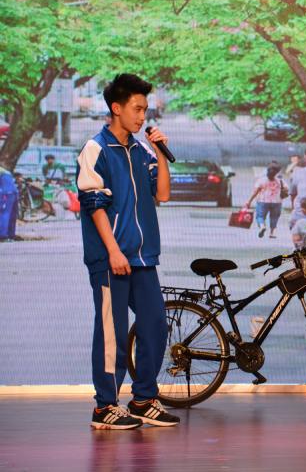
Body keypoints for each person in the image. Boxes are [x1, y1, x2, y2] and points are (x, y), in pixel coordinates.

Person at [76, 73, 180, 430]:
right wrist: (113, 251)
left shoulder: (141, 150)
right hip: (111, 258)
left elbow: (162, 194)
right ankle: (105, 406)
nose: (142, 116)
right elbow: (94, 205)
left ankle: (143, 400)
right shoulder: (96, 149)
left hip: (142, 256)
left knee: (155, 326)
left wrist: (160, 153)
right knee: (113, 333)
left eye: (145, 109)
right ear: (116, 108)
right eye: (137, 109)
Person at [245, 162, 286, 238]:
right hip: (277, 202)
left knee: (260, 216)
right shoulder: (280, 181)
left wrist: (249, 201)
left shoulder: (261, 180)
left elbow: (255, 192)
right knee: (274, 217)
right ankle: (272, 233)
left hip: (263, 201)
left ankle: (262, 226)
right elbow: (286, 189)